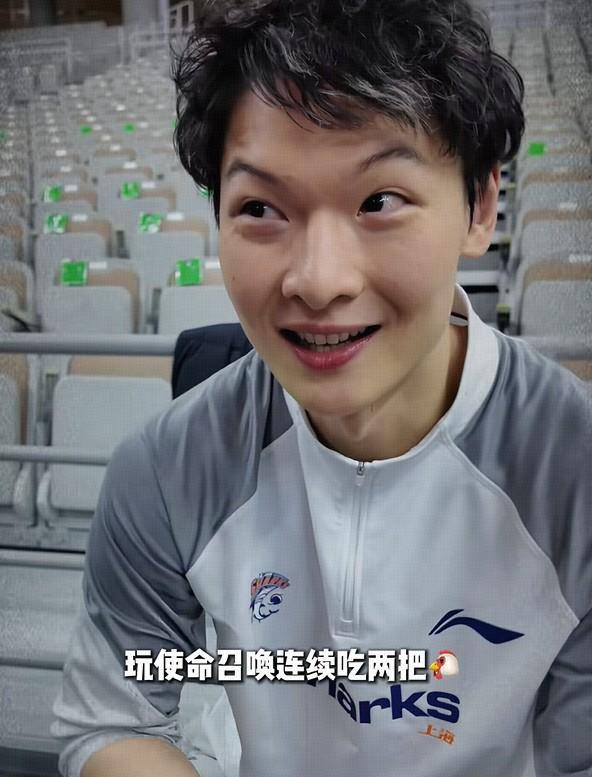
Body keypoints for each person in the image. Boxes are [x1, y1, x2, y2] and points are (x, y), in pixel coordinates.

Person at [52, 1, 592, 776]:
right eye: (261, 209)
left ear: (479, 204)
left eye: (380, 201)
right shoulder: (167, 467)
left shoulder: (574, 469)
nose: (318, 280)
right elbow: (114, 717)